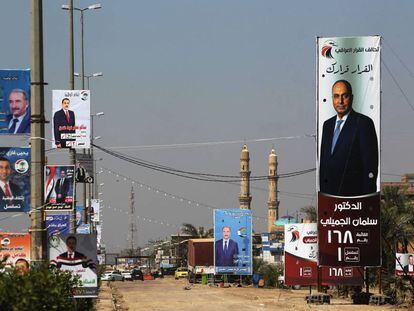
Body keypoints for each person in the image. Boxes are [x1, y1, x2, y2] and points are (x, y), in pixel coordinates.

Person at [319, 80, 378, 196]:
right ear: (332, 99)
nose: (340, 101)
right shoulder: (327, 125)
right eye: (336, 96)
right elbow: (324, 165)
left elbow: (370, 165)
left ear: (351, 97)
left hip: (354, 199)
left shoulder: (363, 123)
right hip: (330, 199)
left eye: (344, 96)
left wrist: (365, 199)